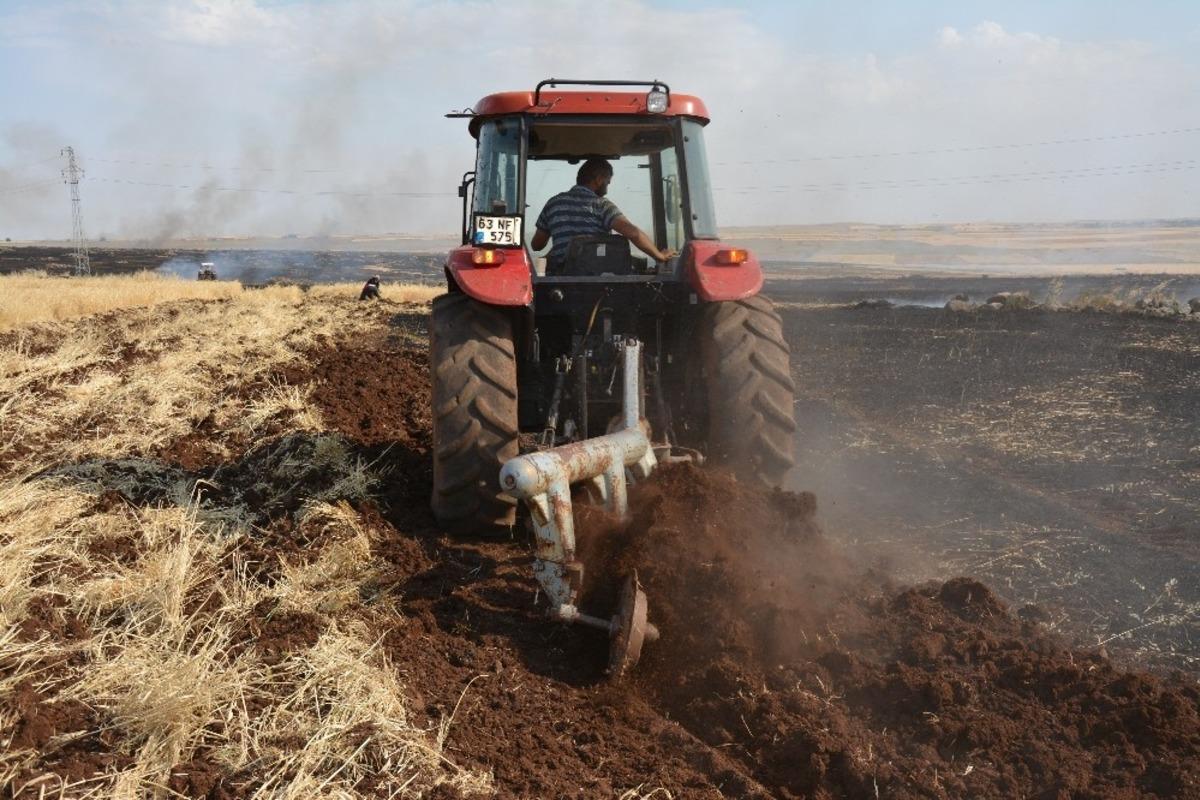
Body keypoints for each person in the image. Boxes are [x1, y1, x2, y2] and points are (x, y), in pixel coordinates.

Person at [530, 158, 677, 275]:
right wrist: (659, 256)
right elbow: (634, 233)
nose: (607, 188)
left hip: (560, 279)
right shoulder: (600, 205)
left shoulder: (553, 203)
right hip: (596, 280)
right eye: (607, 182)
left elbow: (536, 245)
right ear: (599, 179)